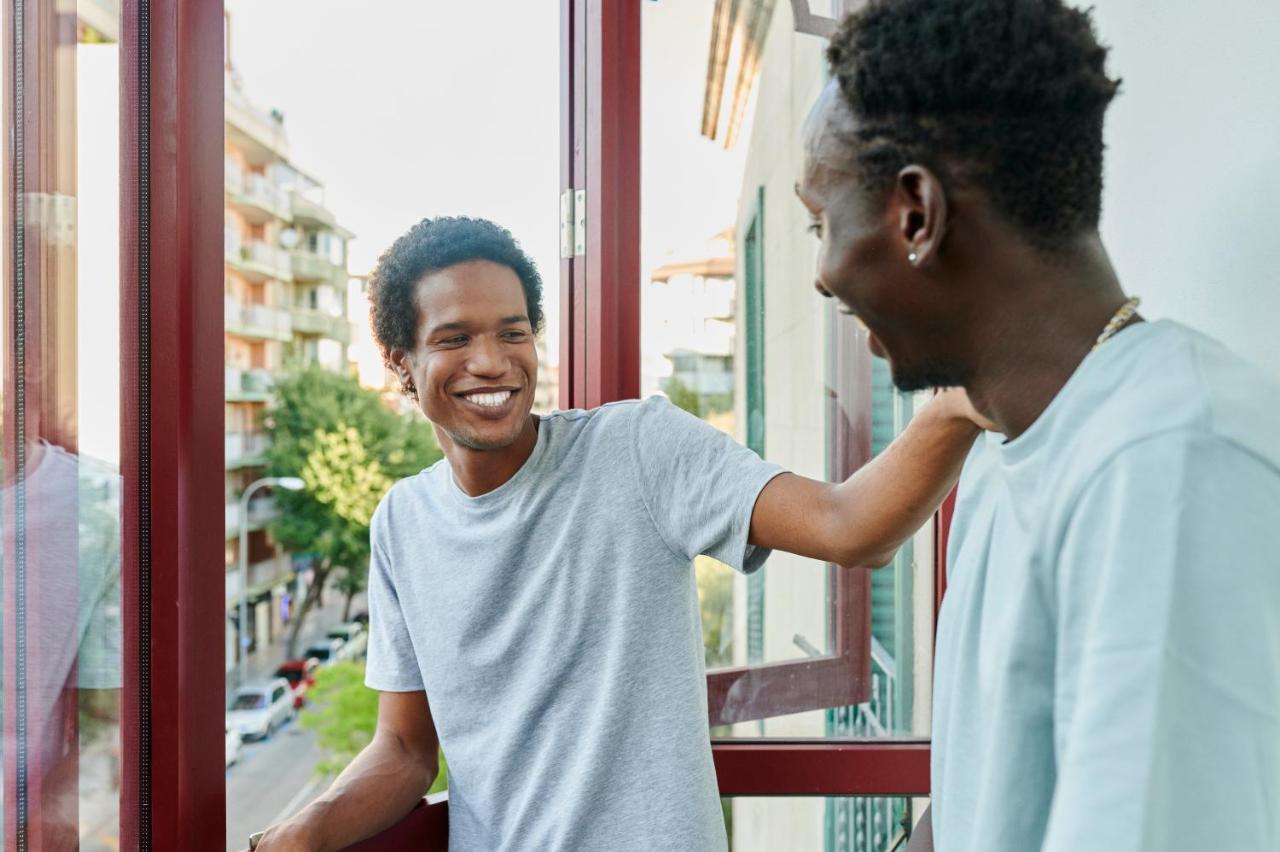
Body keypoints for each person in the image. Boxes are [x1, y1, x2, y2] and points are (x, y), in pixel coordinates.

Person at [251, 216, 986, 851]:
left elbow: (851, 526)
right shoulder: (400, 525)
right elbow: (407, 749)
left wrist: (957, 402)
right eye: (455, 338)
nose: (491, 361)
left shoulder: (637, 449)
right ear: (401, 365)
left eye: (514, 332)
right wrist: (305, 833)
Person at [797, 1, 1280, 849]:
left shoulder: (1171, 463)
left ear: (917, 214)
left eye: (819, 222)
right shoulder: (1010, 447)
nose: (822, 276)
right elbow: (986, 797)